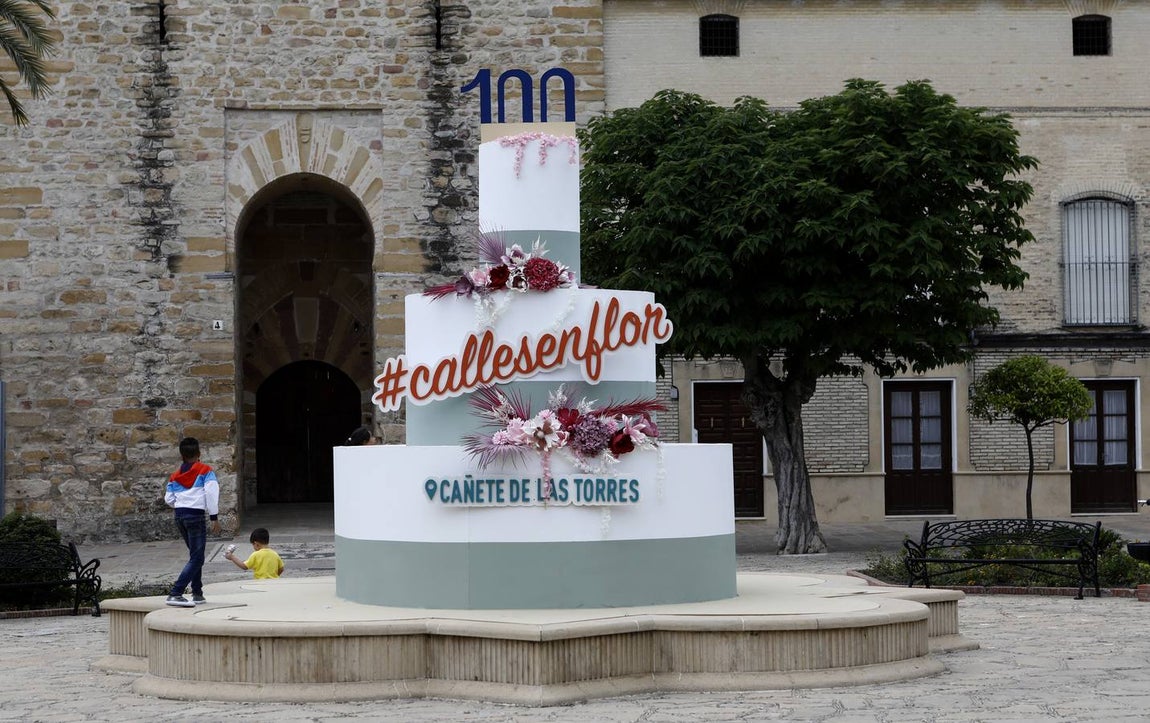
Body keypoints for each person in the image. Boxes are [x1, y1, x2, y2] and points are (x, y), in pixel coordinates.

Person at [163, 437, 220, 607]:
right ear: (199, 453)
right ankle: (176, 592)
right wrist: (214, 517)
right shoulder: (205, 471)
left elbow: (168, 498)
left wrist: (181, 505)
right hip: (195, 516)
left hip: (180, 516)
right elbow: (211, 494)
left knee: (195, 555)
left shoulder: (175, 476)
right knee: (197, 558)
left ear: (181, 456)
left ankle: (197, 593)